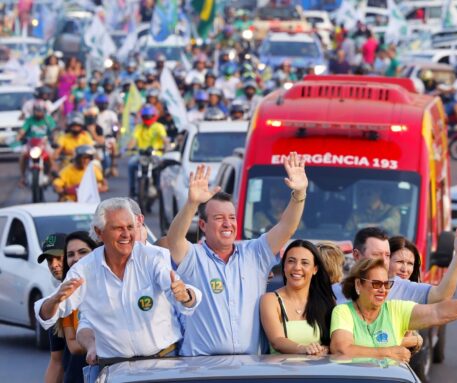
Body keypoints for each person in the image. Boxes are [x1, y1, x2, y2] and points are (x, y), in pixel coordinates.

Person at [157, 152, 308, 356]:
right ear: (202, 225)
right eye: (219, 218)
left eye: (232, 217)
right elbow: (174, 239)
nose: (228, 223)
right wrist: (192, 204)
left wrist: (299, 193)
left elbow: (286, 227)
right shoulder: (194, 256)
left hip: (249, 367)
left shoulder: (255, 252)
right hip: (200, 368)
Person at [34, 198, 202, 377]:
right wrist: (55, 300)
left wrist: (186, 295)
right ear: (99, 232)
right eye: (118, 228)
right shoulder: (84, 269)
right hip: (113, 370)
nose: (126, 234)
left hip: (163, 365)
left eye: (130, 227)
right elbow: (46, 314)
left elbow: (180, 292)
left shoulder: (153, 257)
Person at [329, 258, 457, 362]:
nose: (383, 289)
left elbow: (439, 312)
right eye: (376, 284)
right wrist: (388, 352)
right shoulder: (343, 312)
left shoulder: (396, 309)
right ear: (359, 285)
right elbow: (342, 349)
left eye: (387, 284)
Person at [332, 219, 457, 306]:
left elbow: (441, 295)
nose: (384, 261)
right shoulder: (335, 291)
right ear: (356, 255)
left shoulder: (401, 287)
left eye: (387, 255)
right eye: (376, 255)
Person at [260, 240, 335, 355]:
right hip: (281, 371)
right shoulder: (270, 300)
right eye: (291, 261)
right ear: (284, 266)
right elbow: (277, 341)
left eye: (305, 263)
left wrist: (326, 349)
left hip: (319, 371)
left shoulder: (326, 301)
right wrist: (304, 349)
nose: (297, 267)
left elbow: (335, 342)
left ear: (315, 269)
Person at [58, 231, 98, 383]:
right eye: (70, 254)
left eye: (83, 252)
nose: (76, 258)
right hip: (81, 374)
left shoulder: (113, 284)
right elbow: (73, 345)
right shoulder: (66, 296)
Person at [37, 233, 67, 383]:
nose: (53, 264)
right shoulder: (56, 301)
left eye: (58, 257)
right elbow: (56, 361)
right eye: (49, 260)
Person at [126, 104, 169, 197]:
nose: (148, 118)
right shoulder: (139, 127)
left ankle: (160, 188)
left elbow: (165, 139)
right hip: (142, 155)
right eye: (145, 116)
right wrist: (129, 147)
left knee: (163, 169)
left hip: (156, 154)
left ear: (154, 116)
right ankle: (132, 190)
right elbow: (133, 140)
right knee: (131, 164)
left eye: (149, 116)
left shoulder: (159, 127)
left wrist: (167, 146)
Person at [16, 100, 57, 187]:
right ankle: (22, 177)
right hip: (31, 143)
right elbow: (23, 130)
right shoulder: (29, 120)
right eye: (37, 110)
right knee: (23, 155)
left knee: (51, 156)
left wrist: (55, 138)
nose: (38, 113)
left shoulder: (48, 119)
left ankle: (51, 175)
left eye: (40, 110)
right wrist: (19, 137)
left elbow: (54, 131)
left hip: (44, 143)